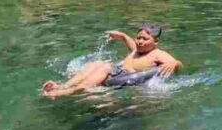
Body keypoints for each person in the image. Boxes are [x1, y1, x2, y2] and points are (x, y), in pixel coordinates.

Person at [42, 24, 182, 98]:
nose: (139, 41)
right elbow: (131, 44)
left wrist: (174, 63)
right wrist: (122, 36)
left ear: (155, 41)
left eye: (145, 39)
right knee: (96, 63)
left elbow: (176, 63)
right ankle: (64, 86)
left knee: (104, 67)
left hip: (124, 78)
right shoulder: (137, 50)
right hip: (116, 73)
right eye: (138, 37)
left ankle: (72, 91)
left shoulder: (158, 54)